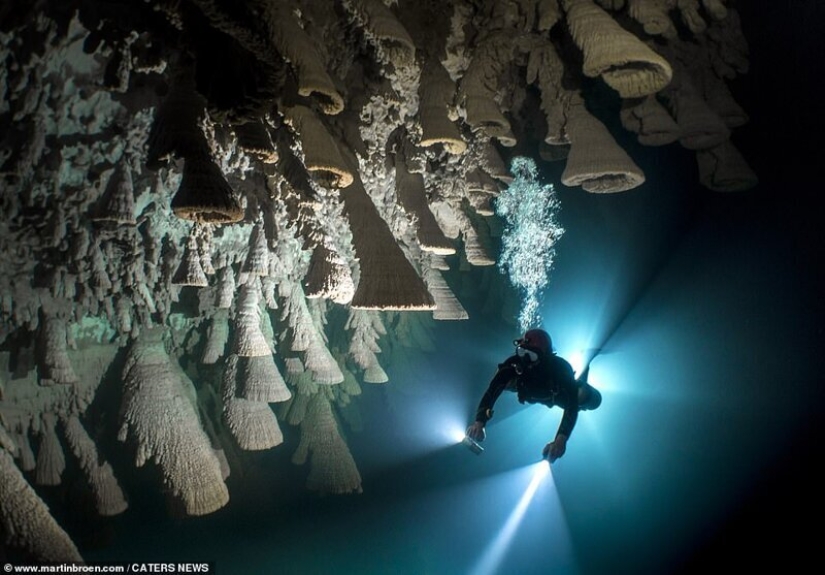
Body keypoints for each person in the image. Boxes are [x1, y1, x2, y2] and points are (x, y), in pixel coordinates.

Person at [465, 328, 602, 462]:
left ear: (545, 355)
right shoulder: (514, 364)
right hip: (528, 389)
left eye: (531, 355)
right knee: (501, 377)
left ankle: (587, 364)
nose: (525, 359)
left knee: (587, 398)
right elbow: (493, 389)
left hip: (556, 393)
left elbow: (571, 404)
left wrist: (560, 439)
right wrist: (480, 422)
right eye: (522, 351)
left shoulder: (560, 368)